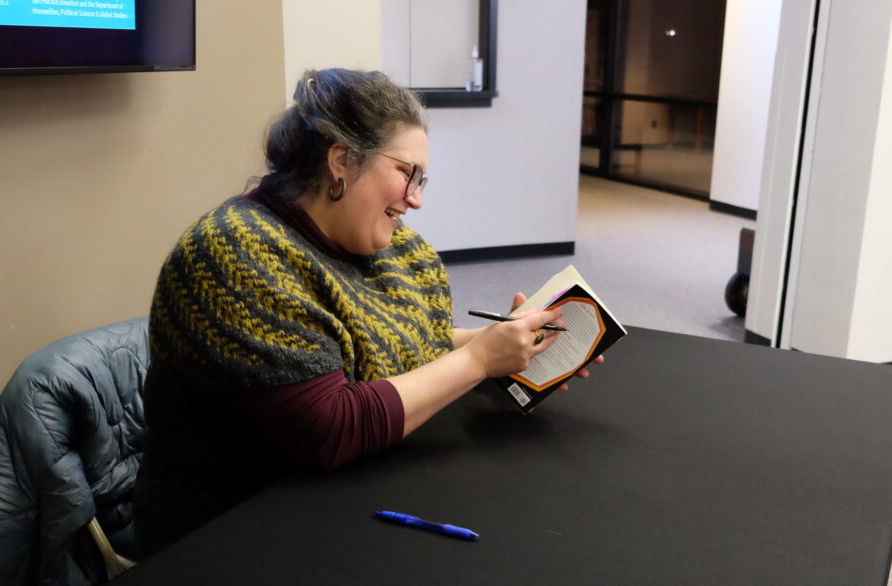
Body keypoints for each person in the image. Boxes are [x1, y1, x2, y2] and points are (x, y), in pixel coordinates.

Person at [133, 68, 601, 556]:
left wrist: (513, 348)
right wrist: (479, 361)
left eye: (423, 180)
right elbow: (329, 429)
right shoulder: (234, 253)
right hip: (228, 531)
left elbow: (412, 342)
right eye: (407, 174)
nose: (416, 200)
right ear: (341, 161)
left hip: (343, 494)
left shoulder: (391, 246)